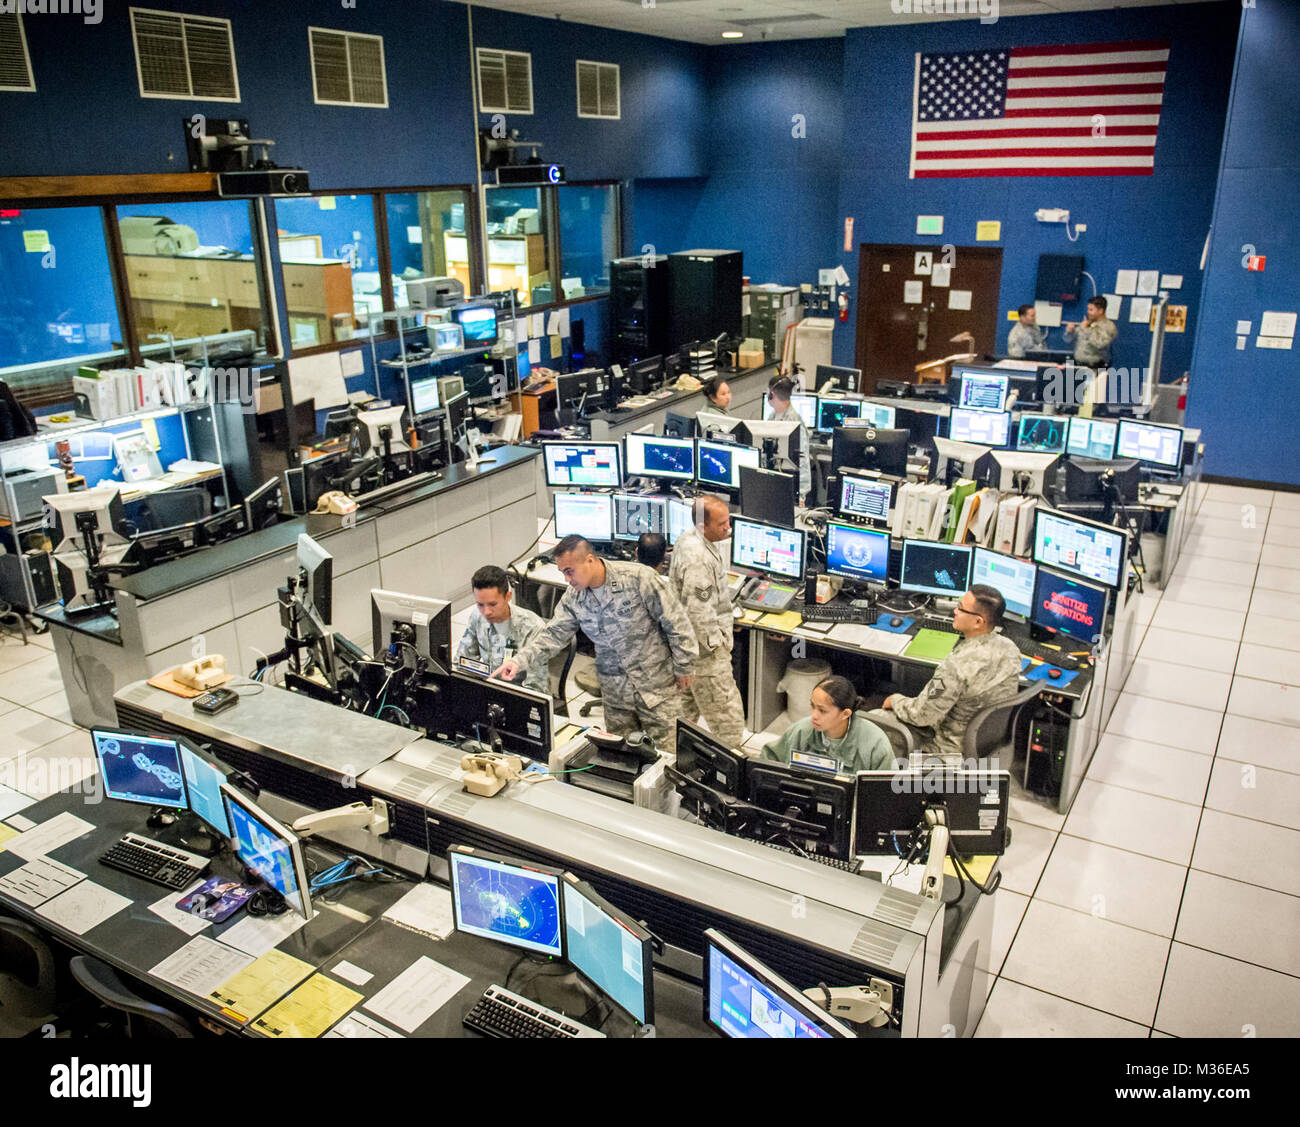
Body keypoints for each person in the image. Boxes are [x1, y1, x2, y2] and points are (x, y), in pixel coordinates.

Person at [492, 535, 698, 755]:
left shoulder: (638, 578)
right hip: (616, 695)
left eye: (569, 571)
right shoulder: (574, 598)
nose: (566, 579)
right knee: (622, 758)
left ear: (589, 560)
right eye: (563, 572)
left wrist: (685, 666)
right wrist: (518, 661)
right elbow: (553, 635)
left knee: (667, 757)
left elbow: (676, 623)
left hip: (658, 688)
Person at [872, 584, 1022, 762]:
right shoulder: (1010, 649)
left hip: (947, 747)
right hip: (983, 742)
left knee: (869, 723)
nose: (955, 611)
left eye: (961, 608)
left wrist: (895, 700)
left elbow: (922, 716)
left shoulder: (955, 666)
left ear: (978, 622)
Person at [668, 496, 746, 750]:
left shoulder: (691, 538)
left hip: (685, 649)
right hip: (704, 654)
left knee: (685, 715)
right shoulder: (698, 558)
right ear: (704, 526)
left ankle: (678, 760)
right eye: (722, 524)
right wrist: (718, 647)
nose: (728, 528)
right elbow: (698, 611)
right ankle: (732, 770)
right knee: (728, 722)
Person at [763, 676, 896, 773]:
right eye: (812, 706)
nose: (814, 715)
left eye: (822, 710)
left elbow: (884, 794)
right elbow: (767, 761)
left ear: (845, 714)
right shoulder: (800, 731)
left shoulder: (875, 744)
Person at [457, 565, 548, 695]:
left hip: (516, 695)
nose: (486, 612)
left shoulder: (533, 628)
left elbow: (535, 689)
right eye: (480, 604)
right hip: (487, 689)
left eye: (493, 604)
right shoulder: (477, 617)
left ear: (508, 596)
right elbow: (463, 662)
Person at [765, 375, 811, 502]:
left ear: (771, 394)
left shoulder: (795, 424)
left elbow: (803, 462)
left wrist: (801, 495)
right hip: (773, 481)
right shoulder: (772, 416)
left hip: (790, 487)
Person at [1064, 296, 1118, 368]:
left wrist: (1085, 330)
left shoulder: (1109, 327)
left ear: (1100, 311)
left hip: (1096, 367)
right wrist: (1069, 332)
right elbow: (1068, 340)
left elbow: (1099, 344)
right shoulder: (1087, 323)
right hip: (1078, 365)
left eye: (1091, 310)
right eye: (1088, 309)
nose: (1088, 312)